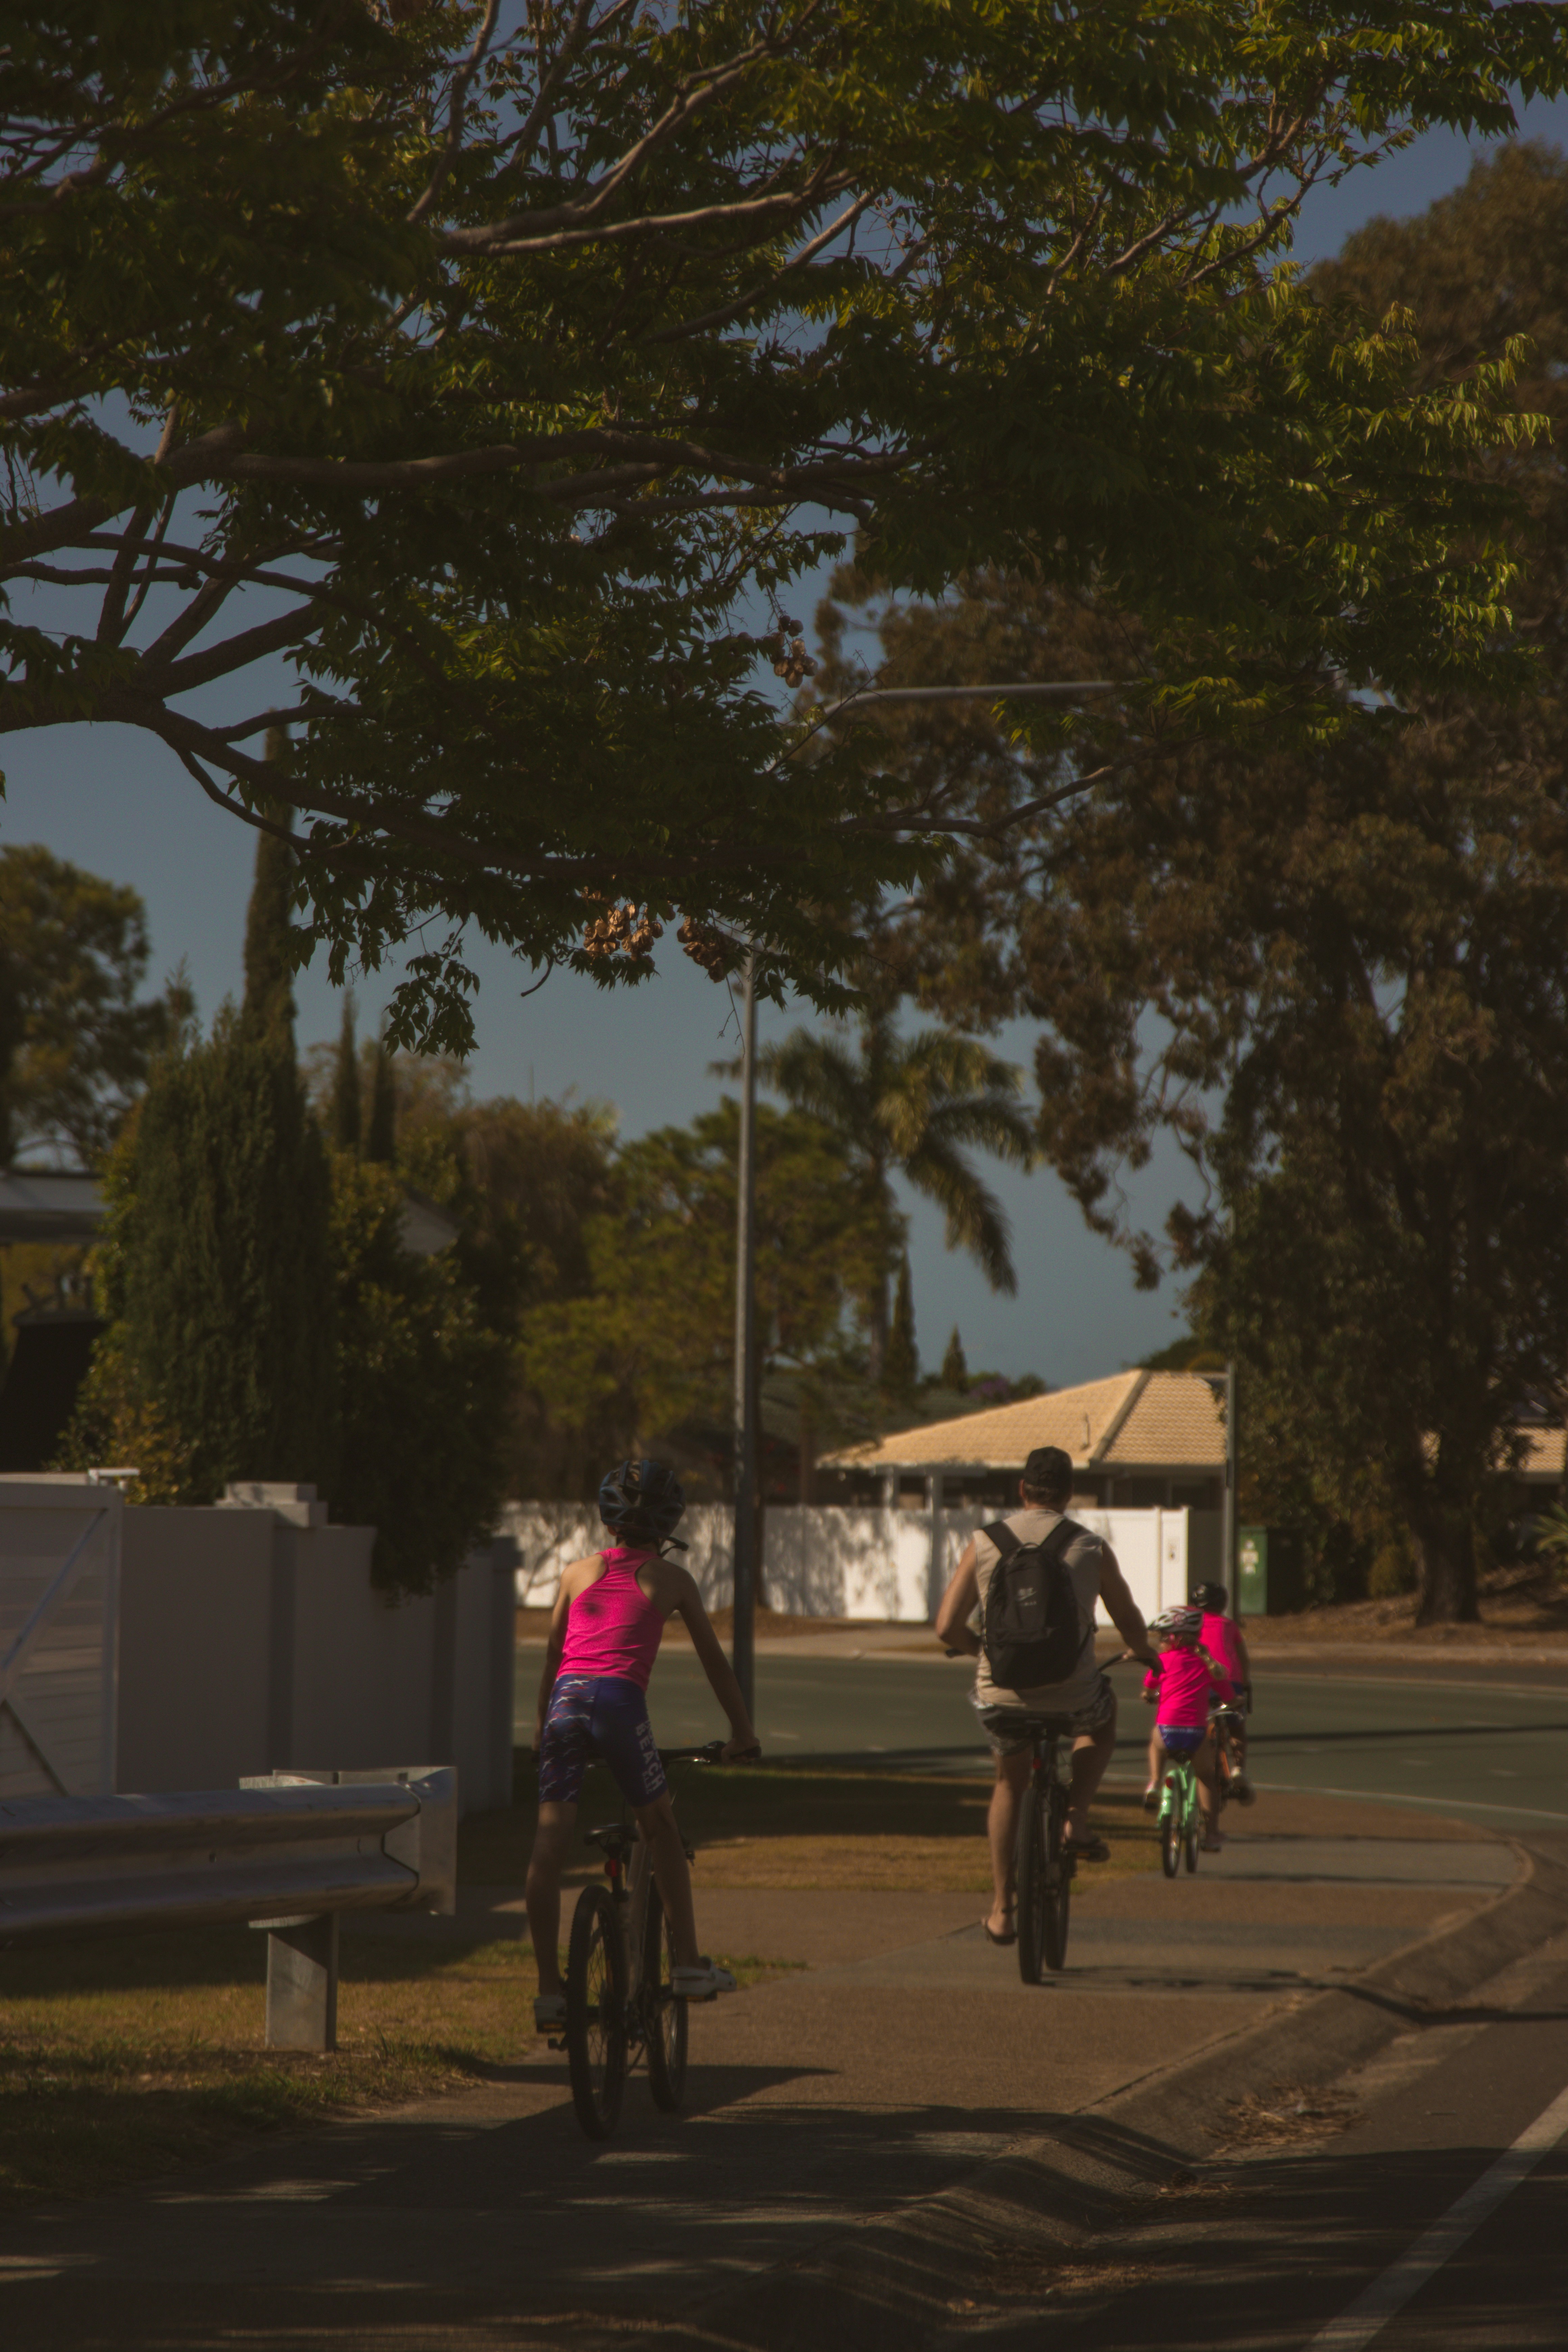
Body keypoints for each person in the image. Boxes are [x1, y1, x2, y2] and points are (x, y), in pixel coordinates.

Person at [525, 1458, 760, 2033]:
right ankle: (686, 1965)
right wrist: (742, 1732)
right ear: (669, 1523)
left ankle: (550, 1992)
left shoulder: (577, 1573)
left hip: (566, 1706)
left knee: (550, 1840)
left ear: (609, 1525)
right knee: (660, 1829)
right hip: (617, 1702)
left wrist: (542, 1727)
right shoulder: (673, 1580)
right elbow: (715, 1663)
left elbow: (556, 1658)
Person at [934, 1445, 1160, 1946]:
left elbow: (946, 1626)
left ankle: (1001, 1910)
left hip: (1003, 1694)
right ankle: (1076, 1819)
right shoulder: (1090, 1547)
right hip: (1072, 1692)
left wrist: (982, 1654)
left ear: (1022, 1491)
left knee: (1009, 1784)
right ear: (1068, 1493)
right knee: (1100, 1720)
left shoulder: (986, 1542)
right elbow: (1129, 1620)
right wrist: (1143, 1651)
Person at [1141, 1604, 1229, 1850]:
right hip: (1196, 1734)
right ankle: (1211, 1835)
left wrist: (1149, 1694)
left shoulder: (1162, 1661)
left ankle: (1155, 1783)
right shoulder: (1207, 1665)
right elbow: (1227, 1692)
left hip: (1167, 1729)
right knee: (1207, 1778)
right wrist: (1236, 1701)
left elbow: (1150, 1684)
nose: (1160, 1643)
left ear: (1174, 1639)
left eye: (1162, 1638)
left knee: (1155, 1744)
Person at [1190, 1578, 1255, 1802]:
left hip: (1202, 1680)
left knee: (1203, 1720)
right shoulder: (1229, 1626)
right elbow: (1243, 1658)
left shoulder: (1192, 1624)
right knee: (1236, 1728)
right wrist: (1245, 1685)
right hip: (1231, 1680)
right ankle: (1238, 1769)